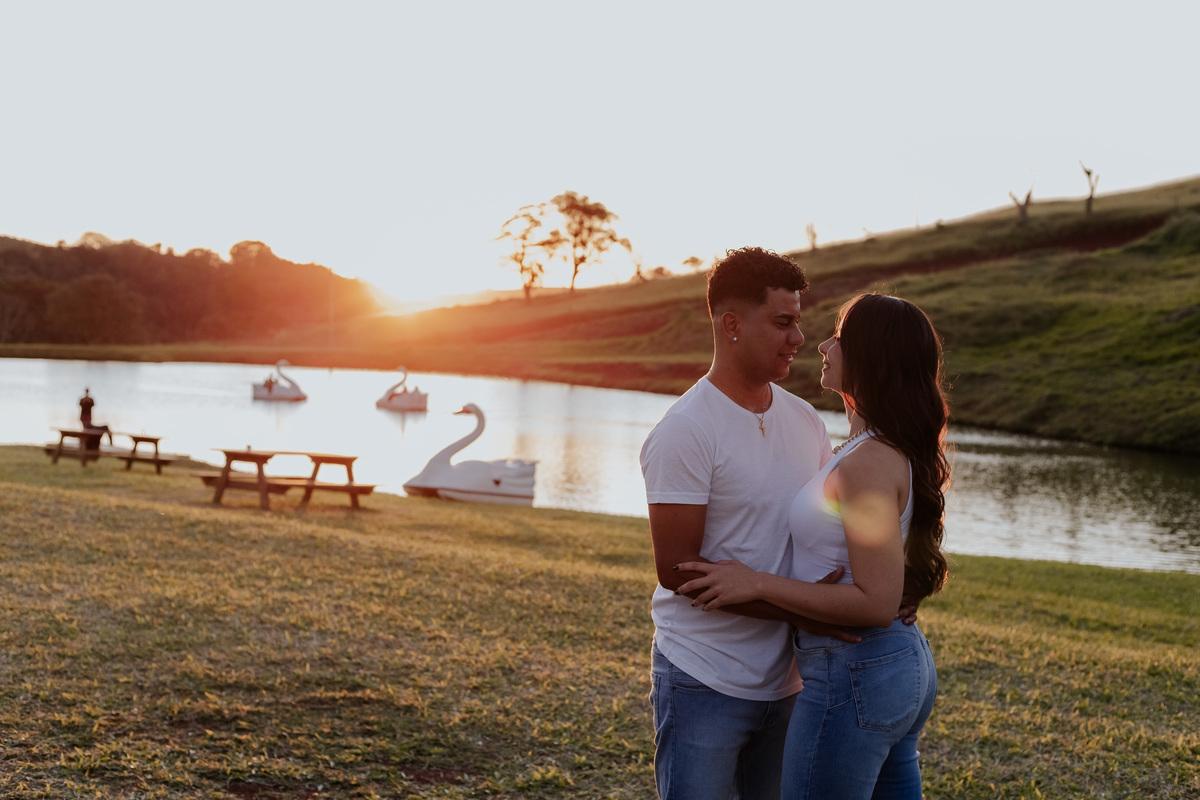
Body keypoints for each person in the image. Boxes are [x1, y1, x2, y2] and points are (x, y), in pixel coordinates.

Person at [675, 293, 951, 799]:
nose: (821, 345)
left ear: (871, 357)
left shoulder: (868, 463)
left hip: (855, 672)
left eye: (839, 337)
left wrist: (756, 583)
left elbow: (875, 602)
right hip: (886, 668)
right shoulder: (871, 450)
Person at [640, 246, 849, 800]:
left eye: (798, 322)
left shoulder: (805, 420)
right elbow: (677, 571)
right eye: (782, 323)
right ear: (731, 324)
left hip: (790, 682)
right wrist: (806, 609)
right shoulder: (686, 429)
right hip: (704, 676)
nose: (798, 338)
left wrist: (884, 591)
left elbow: (831, 532)